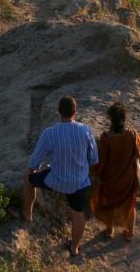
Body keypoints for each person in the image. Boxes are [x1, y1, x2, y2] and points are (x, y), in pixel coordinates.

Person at [23, 97, 99, 258]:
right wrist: (87, 174)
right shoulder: (85, 130)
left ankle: (28, 215)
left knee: (29, 181)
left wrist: (30, 172)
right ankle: (74, 248)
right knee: (78, 213)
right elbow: (93, 158)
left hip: (56, 180)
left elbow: (35, 161)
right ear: (75, 112)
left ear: (59, 112)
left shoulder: (50, 133)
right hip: (79, 182)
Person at [89, 102, 140, 242]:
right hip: (128, 178)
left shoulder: (106, 138)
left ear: (110, 119)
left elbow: (100, 162)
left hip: (110, 179)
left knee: (109, 204)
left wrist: (95, 174)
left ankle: (109, 231)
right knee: (130, 205)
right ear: (125, 118)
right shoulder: (132, 134)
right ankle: (129, 232)